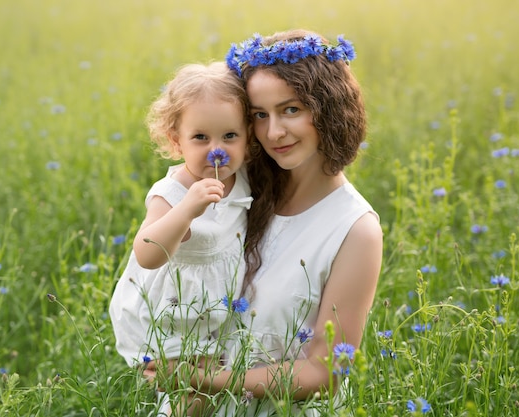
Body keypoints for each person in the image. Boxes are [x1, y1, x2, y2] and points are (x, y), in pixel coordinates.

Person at [146, 29, 383, 416]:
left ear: (329, 108)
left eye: (291, 109)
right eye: (259, 115)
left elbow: (326, 373)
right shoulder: (236, 186)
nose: (273, 132)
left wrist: (204, 380)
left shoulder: (356, 230)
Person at [109, 61, 252, 416]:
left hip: (219, 309)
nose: (215, 150)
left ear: (248, 138)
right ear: (176, 140)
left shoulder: (241, 176)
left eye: (229, 137)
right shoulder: (172, 193)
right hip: (174, 311)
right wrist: (186, 209)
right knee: (188, 399)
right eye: (200, 137)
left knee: (218, 393)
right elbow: (146, 254)